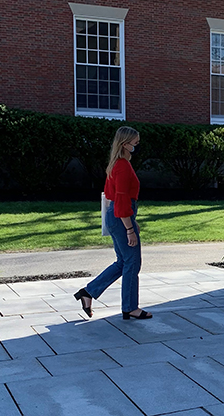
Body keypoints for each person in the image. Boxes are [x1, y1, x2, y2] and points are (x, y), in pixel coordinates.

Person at [74, 126, 152, 320]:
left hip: (117, 216)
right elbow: (122, 199)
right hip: (121, 216)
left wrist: (131, 223)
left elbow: (112, 198)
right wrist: (129, 229)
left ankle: (88, 292)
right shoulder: (123, 167)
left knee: (123, 262)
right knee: (132, 262)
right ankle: (130, 308)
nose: (137, 146)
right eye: (135, 143)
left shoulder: (116, 164)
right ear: (125, 144)